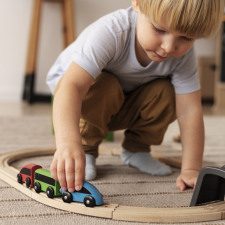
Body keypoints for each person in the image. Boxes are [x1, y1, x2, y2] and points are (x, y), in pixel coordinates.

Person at [46, 0, 225, 193]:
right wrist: (68, 144)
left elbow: (189, 110)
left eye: (186, 38)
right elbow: (71, 87)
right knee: (106, 84)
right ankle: (86, 147)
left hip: (124, 100)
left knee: (169, 92)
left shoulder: (182, 57)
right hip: (77, 100)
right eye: (159, 29)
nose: (168, 47)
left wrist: (191, 168)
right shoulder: (111, 32)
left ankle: (137, 148)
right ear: (137, 4)